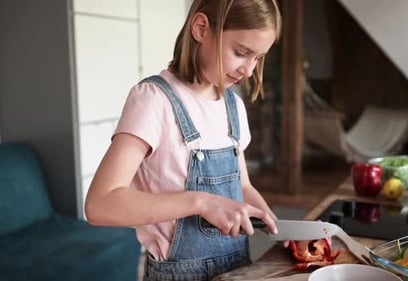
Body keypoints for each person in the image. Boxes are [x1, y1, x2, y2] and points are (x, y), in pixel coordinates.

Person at [84, 0, 282, 280]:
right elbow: (100, 205)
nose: (249, 70)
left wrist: (272, 222)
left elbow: (242, 186)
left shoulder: (233, 106)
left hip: (238, 271)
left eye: (258, 58)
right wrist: (200, 202)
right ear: (201, 29)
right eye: (241, 52)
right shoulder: (153, 100)